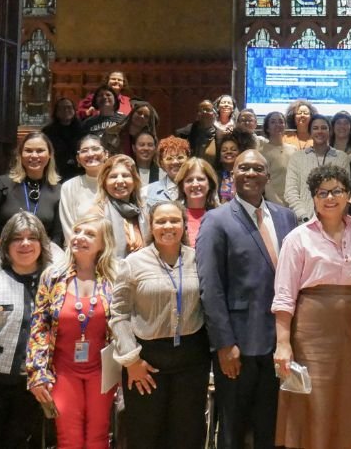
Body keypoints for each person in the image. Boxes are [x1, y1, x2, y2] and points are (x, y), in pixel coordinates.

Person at [270, 164, 351, 448]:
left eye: (337, 191)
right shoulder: (298, 238)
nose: (330, 198)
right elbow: (284, 297)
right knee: (313, 402)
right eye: (322, 193)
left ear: (347, 194)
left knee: (350, 403)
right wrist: (283, 344)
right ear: (314, 198)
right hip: (311, 336)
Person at [197, 150, 298, 449]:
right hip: (237, 345)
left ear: (268, 176)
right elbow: (211, 287)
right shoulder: (216, 220)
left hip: (278, 344)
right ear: (232, 175)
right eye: (243, 168)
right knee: (233, 431)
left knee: (272, 429)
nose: (251, 173)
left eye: (257, 168)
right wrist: (224, 344)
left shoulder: (286, 217)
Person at [111, 201, 210, 448]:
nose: (168, 226)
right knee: (145, 435)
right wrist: (131, 361)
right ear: (151, 226)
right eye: (161, 221)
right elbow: (119, 314)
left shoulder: (198, 259)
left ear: (184, 225)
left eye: (174, 220)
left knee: (187, 435)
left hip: (191, 360)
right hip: (146, 361)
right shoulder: (133, 263)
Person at [26, 213, 119, 449]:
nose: (80, 237)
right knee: (69, 439)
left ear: (103, 243)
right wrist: (37, 373)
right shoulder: (53, 276)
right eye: (77, 231)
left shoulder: (115, 278)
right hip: (63, 371)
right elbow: (39, 326)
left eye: (90, 234)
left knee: (98, 437)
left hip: (102, 371)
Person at [0, 213, 56, 449]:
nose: (25, 244)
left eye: (32, 238)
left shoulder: (54, 278)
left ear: (42, 243)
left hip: (33, 384)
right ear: (5, 243)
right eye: (17, 238)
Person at [0, 132, 63, 253]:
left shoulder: (59, 191)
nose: (34, 155)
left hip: (43, 259)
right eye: (28, 150)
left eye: (40, 151)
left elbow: (58, 235)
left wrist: (46, 258)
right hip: (2, 256)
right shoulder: (0, 185)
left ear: (50, 155)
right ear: (20, 155)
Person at [284, 114, 349, 221]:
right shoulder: (297, 157)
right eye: (315, 128)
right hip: (304, 221)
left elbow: (345, 190)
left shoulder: (341, 157)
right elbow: (290, 192)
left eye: (324, 128)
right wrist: (304, 216)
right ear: (310, 132)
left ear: (330, 131)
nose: (320, 131)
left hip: (334, 220)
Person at [87, 155, 147, 259]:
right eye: (113, 176)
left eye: (125, 175)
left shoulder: (145, 211)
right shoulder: (97, 213)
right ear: (104, 182)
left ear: (135, 181)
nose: (120, 181)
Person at [57, 136, 109, 242]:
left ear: (106, 154)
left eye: (95, 149)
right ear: (78, 159)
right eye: (84, 151)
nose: (90, 154)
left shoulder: (117, 182)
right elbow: (69, 228)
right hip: (81, 247)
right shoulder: (69, 187)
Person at [174, 157, 219, 245]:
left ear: (210, 184)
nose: (195, 184)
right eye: (189, 180)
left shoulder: (221, 216)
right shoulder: (173, 215)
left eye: (200, 179)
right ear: (182, 186)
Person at [258, 112, 297, 207]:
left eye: (281, 121)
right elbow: (266, 183)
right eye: (273, 122)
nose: (278, 125)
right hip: (275, 204)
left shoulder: (294, 149)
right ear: (267, 128)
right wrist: (280, 205)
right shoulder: (262, 152)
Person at [46, 97, 84, 180]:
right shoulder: (47, 132)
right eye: (62, 108)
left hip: (79, 171)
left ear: (74, 110)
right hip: (56, 172)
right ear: (56, 112)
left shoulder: (83, 129)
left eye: (69, 107)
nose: (66, 110)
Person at [145, 136, 190, 206]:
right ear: (161, 163)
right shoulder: (147, 191)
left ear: (188, 159)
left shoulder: (196, 187)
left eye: (180, 157)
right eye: (169, 158)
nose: (175, 162)